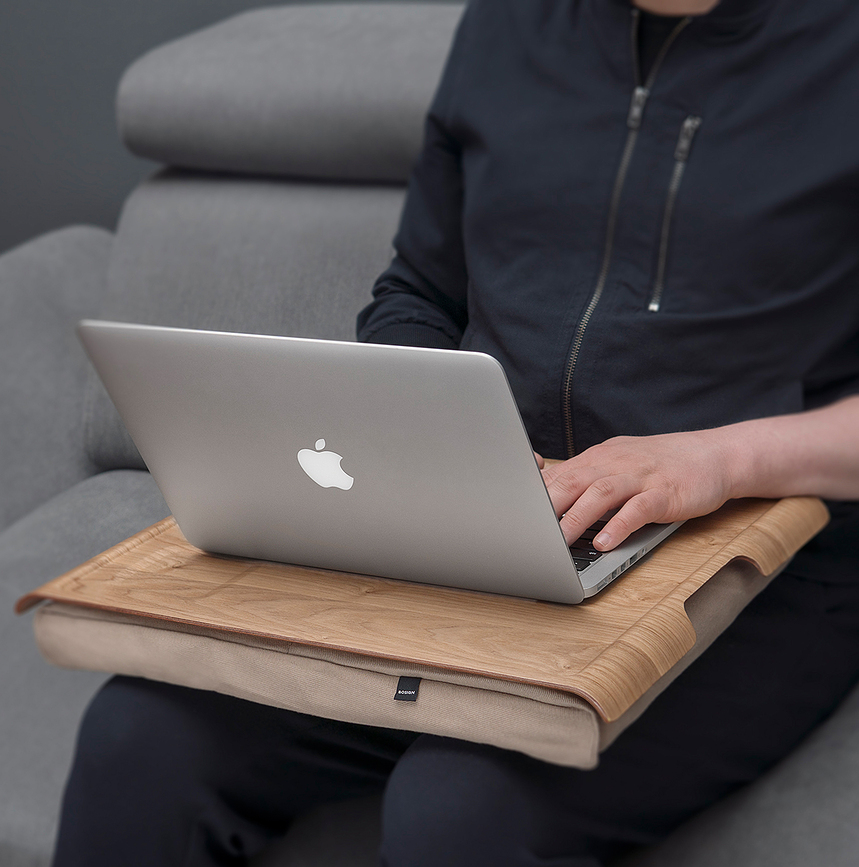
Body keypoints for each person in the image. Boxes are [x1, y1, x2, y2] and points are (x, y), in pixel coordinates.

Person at [53, 0, 859, 865]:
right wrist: (432, 436)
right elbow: (416, 292)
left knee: (462, 807)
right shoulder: (507, 24)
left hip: (754, 557)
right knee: (139, 737)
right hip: (478, 529)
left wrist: (716, 457)